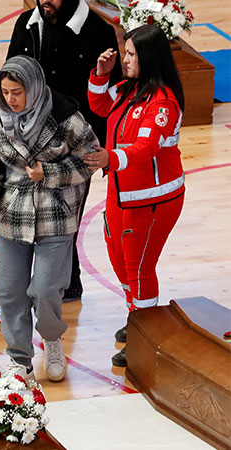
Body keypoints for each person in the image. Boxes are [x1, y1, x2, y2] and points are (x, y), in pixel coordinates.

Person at [0, 56, 96, 381]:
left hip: (57, 215)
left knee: (46, 289)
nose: (10, 99)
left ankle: (51, 338)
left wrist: (48, 173)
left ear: (33, 87)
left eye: (17, 91)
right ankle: (20, 359)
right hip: (12, 218)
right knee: (9, 291)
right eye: (5, 91)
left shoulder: (66, 119)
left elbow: (90, 161)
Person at [7, 0, 122, 301]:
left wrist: (104, 150)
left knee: (65, 215)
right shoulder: (25, 25)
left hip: (77, 145)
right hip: (30, 140)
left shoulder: (99, 32)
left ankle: (65, 280)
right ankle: (55, 279)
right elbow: (9, 80)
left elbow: (113, 95)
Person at [85, 25, 185, 368]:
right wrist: (100, 74)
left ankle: (147, 335)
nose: (124, 59)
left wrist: (109, 158)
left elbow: (145, 148)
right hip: (121, 191)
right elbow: (99, 105)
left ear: (149, 57)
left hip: (153, 200)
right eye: (124, 53)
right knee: (118, 258)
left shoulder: (163, 102)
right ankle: (138, 315)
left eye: (130, 55)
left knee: (139, 268)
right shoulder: (130, 89)